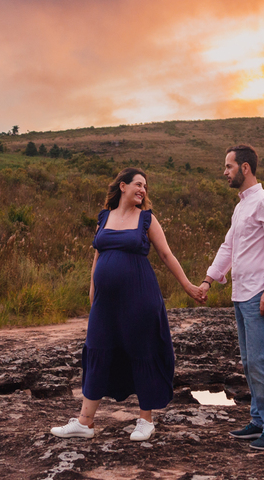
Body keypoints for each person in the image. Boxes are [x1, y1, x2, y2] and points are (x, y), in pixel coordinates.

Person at [52, 167, 207, 442]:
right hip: (105, 301)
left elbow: (166, 254)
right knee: (97, 349)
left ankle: (145, 421)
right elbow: (98, 256)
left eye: (145, 186)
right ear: (122, 186)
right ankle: (84, 423)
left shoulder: (146, 219)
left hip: (140, 297)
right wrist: (93, 290)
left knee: (142, 351)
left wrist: (188, 286)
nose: (143, 190)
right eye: (138, 184)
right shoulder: (105, 218)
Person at [200, 144, 264, 451]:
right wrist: (209, 279)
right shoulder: (242, 206)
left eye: (228, 166)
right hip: (241, 294)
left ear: (245, 168)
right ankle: (259, 419)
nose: (225, 172)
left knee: (259, 362)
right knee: (249, 362)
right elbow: (228, 247)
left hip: (259, 294)